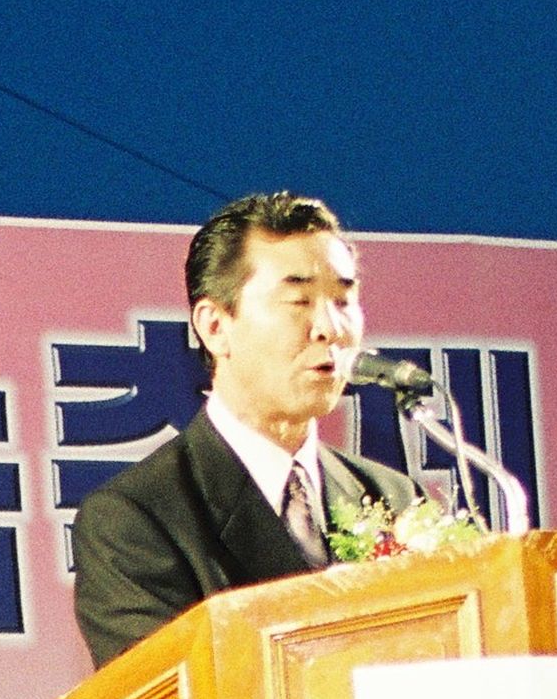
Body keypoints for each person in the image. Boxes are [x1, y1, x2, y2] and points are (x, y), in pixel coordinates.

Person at [69, 190, 421, 669]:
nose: (330, 328)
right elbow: (176, 696)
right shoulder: (135, 520)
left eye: (343, 300)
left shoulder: (392, 497)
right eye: (298, 301)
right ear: (215, 326)